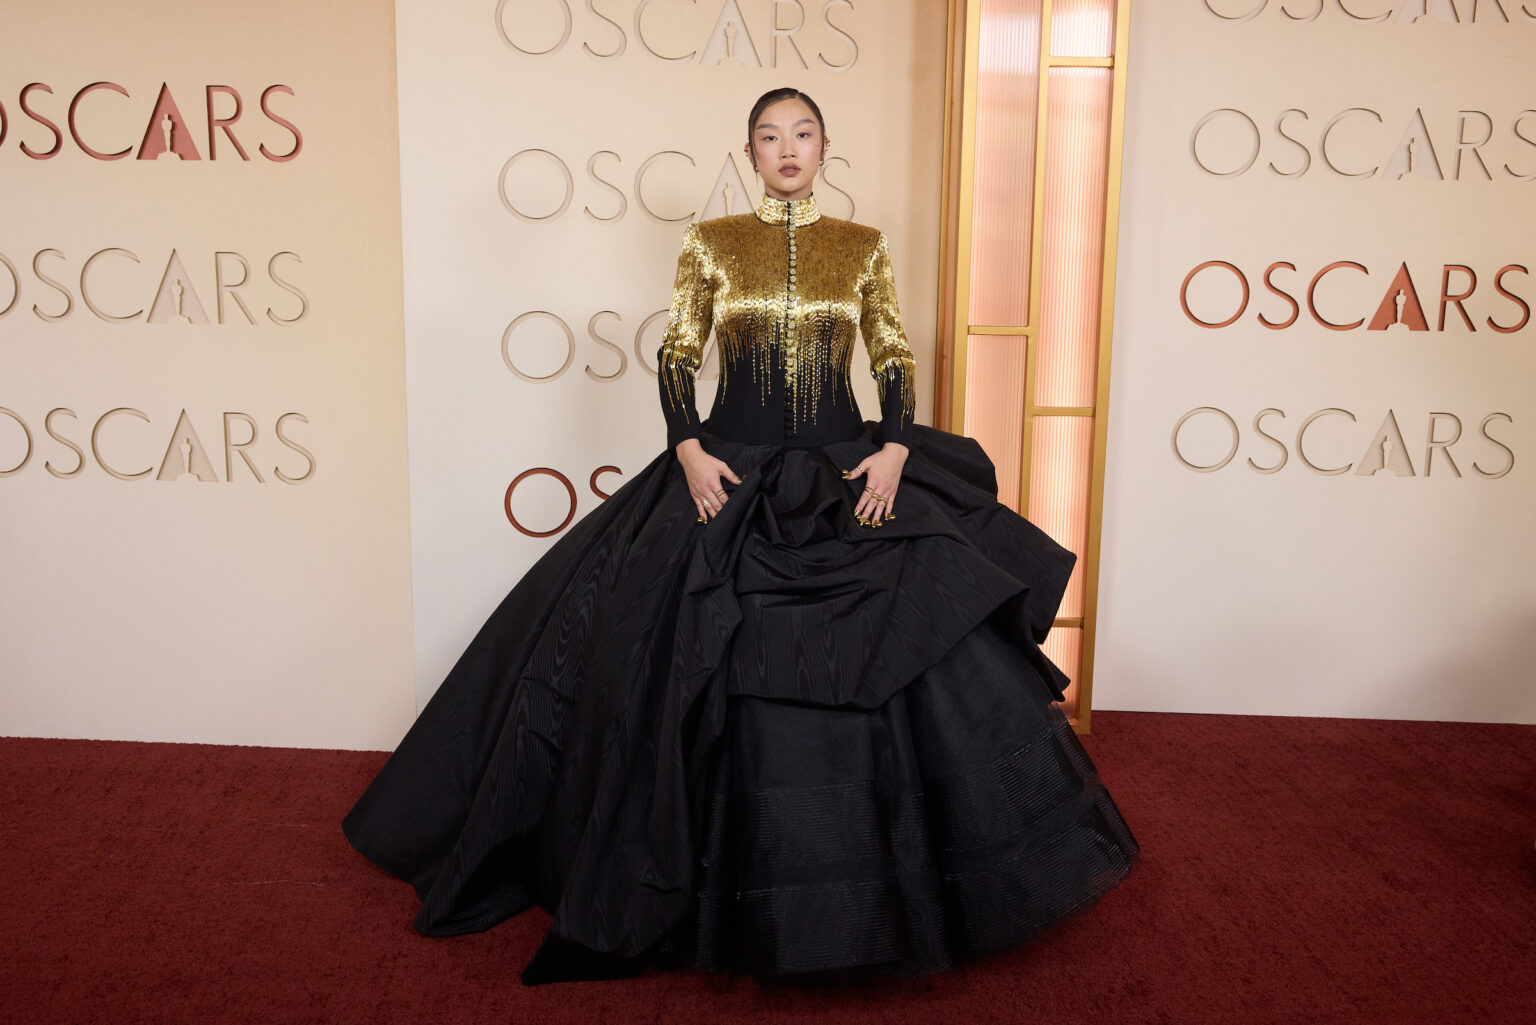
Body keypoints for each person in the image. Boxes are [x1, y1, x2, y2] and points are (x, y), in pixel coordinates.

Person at [342, 87, 1139, 986]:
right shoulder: (714, 243)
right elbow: (679, 351)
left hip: (850, 472)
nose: (787, 148)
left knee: (918, 644)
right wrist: (685, 447)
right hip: (726, 469)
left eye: (802, 134)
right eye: (770, 136)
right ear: (749, 153)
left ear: (825, 147)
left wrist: (893, 451)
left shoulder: (861, 247)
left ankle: (891, 891)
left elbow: (892, 356)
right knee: (665, 656)